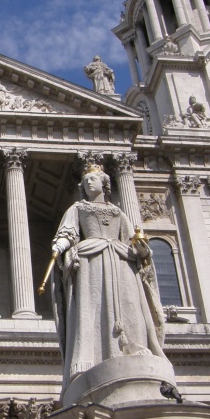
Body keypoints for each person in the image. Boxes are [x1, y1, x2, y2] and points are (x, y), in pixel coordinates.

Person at [51, 165, 165, 384]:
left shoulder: (118, 212)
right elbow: (68, 232)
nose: (88, 183)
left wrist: (142, 250)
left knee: (129, 303)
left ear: (104, 183)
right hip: (91, 261)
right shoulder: (77, 208)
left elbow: (132, 240)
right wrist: (60, 245)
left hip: (121, 260)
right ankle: (89, 357)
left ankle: (134, 345)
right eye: (85, 181)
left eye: (92, 179)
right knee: (91, 306)